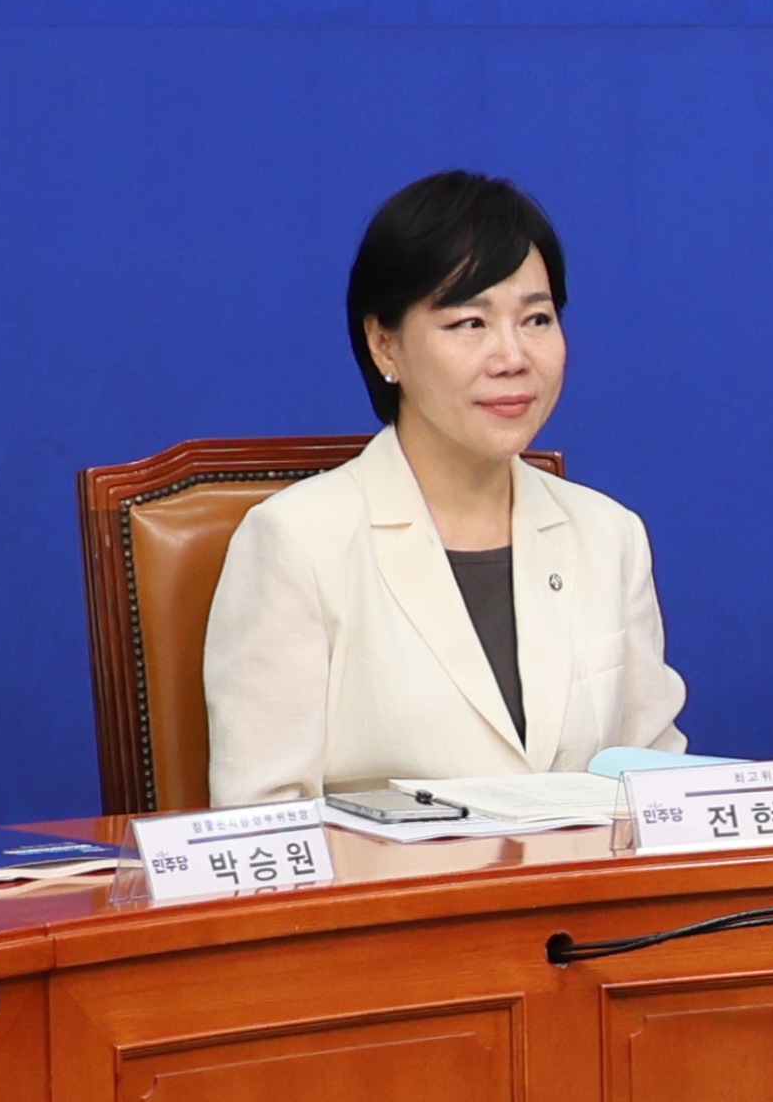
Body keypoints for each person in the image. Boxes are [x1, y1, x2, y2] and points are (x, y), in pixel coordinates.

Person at [204, 172, 684, 795]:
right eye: (469, 323)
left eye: (537, 319)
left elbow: (657, 791)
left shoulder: (608, 535)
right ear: (385, 345)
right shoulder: (298, 542)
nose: (513, 357)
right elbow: (262, 820)